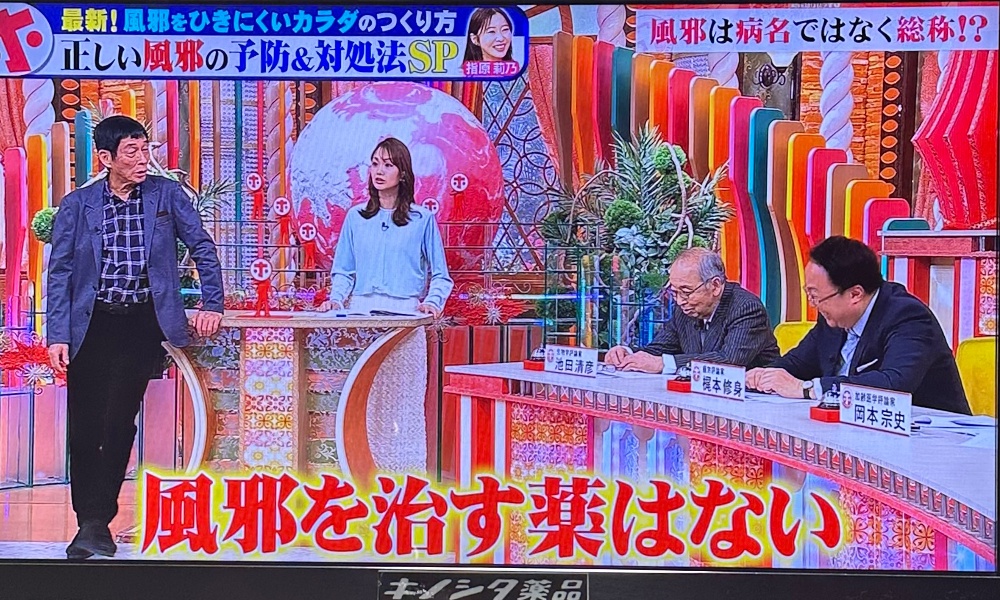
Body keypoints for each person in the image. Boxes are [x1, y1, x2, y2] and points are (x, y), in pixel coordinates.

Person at [46, 116, 225, 559]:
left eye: (145, 149)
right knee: (85, 426)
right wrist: (57, 335)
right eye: (132, 151)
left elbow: (202, 246)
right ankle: (89, 522)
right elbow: (60, 272)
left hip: (140, 324)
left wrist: (213, 303)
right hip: (90, 325)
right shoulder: (78, 205)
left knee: (118, 420)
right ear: (106, 158)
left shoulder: (166, 195)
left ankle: (97, 521)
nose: (143, 158)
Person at [747, 236, 971, 415]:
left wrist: (807, 389)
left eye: (816, 296)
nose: (813, 304)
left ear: (855, 294)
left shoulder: (907, 316)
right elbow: (797, 363)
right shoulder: (833, 319)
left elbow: (894, 383)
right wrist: (763, 376)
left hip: (931, 439)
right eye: (810, 294)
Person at [321, 137, 453, 315]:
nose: (379, 171)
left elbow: (441, 275)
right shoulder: (356, 217)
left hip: (406, 311)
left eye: (388, 165)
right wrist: (336, 299)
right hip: (360, 310)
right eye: (375, 164)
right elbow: (344, 270)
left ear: (403, 173)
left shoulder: (422, 219)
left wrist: (432, 302)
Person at [605, 248, 780, 373]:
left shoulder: (746, 308)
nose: (680, 300)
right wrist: (628, 354)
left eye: (686, 292)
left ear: (715, 286)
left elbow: (729, 361)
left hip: (753, 401)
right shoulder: (686, 309)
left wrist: (665, 364)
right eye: (674, 292)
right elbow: (660, 348)